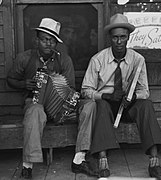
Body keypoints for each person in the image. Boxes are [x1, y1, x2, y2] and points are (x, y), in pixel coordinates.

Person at [81, 13, 161, 180]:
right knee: (101, 105)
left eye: (123, 37)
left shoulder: (138, 60)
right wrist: (106, 96)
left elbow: (145, 91)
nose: (119, 42)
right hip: (107, 108)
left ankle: (154, 162)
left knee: (146, 105)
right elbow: (86, 90)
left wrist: (133, 97)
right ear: (109, 38)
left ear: (128, 37)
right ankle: (103, 160)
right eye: (115, 38)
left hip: (128, 105)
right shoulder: (98, 60)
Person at [7, 18, 97, 179]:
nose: (48, 44)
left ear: (56, 43)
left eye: (52, 41)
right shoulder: (25, 58)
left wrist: (69, 103)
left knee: (89, 105)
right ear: (37, 40)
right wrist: (23, 84)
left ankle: (79, 159)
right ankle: (28, 166)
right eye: (45, 40)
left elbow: (69, 89)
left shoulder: (64, 59)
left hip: (60, 109)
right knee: (35, 111)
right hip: (35, 104)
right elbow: (10, 79)